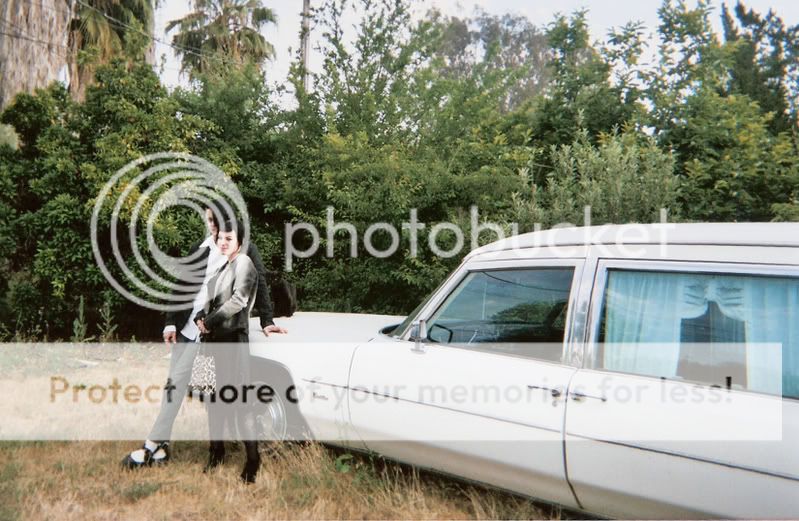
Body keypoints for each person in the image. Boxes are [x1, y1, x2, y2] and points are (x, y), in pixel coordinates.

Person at [121, 204, 287, 469]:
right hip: (186, 327)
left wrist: (267, 320)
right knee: (174, 388)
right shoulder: (202, 250)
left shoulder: (240, 249)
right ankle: (164, 447)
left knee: (182, 384)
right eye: (209, 221)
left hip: (209, 331)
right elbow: (182, 288)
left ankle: (151, 445)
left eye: (216, 221)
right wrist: (170, 323)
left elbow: (260, 283)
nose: (212, 226)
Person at [195, 218, 261, 483]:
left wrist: (208, 322)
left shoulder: (244, 263)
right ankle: (216, 452)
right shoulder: (224, 265)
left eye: (228, 239)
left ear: (240, 241)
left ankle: (253, 461)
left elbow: (238, 301)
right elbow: (210, 301)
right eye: (220, 238)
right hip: (213, 341)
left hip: (232, 340)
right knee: (213, 402)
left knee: (239, 402)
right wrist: (200, 316)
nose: (222, 243)